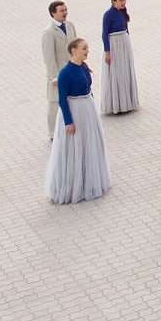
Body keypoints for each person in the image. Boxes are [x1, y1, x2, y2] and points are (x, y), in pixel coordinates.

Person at [45, 38, 111, 204]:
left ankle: (89, 180)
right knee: (76, 147)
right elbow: (62, 100)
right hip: (75, 110)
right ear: (74, 51)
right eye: (84, 48)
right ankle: (75, 185)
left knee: (89, 144)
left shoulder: (83, 67)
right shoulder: (66, 72)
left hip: (87, 108)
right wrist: (68, 121)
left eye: (87, 48)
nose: (87, 51)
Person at [100, 0, 139, 114]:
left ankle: (128, 102)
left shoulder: (123, 12)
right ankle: (117, 104)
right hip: (114, 43)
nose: (123, 3)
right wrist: (107, 51)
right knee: (116, 72)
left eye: (124, 0)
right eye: (120, 0)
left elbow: (126, 29)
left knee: (125, 70)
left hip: (124, 42)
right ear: (113, 1)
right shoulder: (108, 14)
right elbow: (104, 33)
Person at [42, 0, 73, 137]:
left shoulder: (70, 25)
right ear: (53, 13)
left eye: (65, 10)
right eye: (61, 11)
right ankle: (53, 132)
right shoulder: (49, 32)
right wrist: (54, 76)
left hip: (71, 69)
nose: (65, 13)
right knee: (55, 102)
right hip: (59, 72)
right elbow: (49, 57)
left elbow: (75, 46)